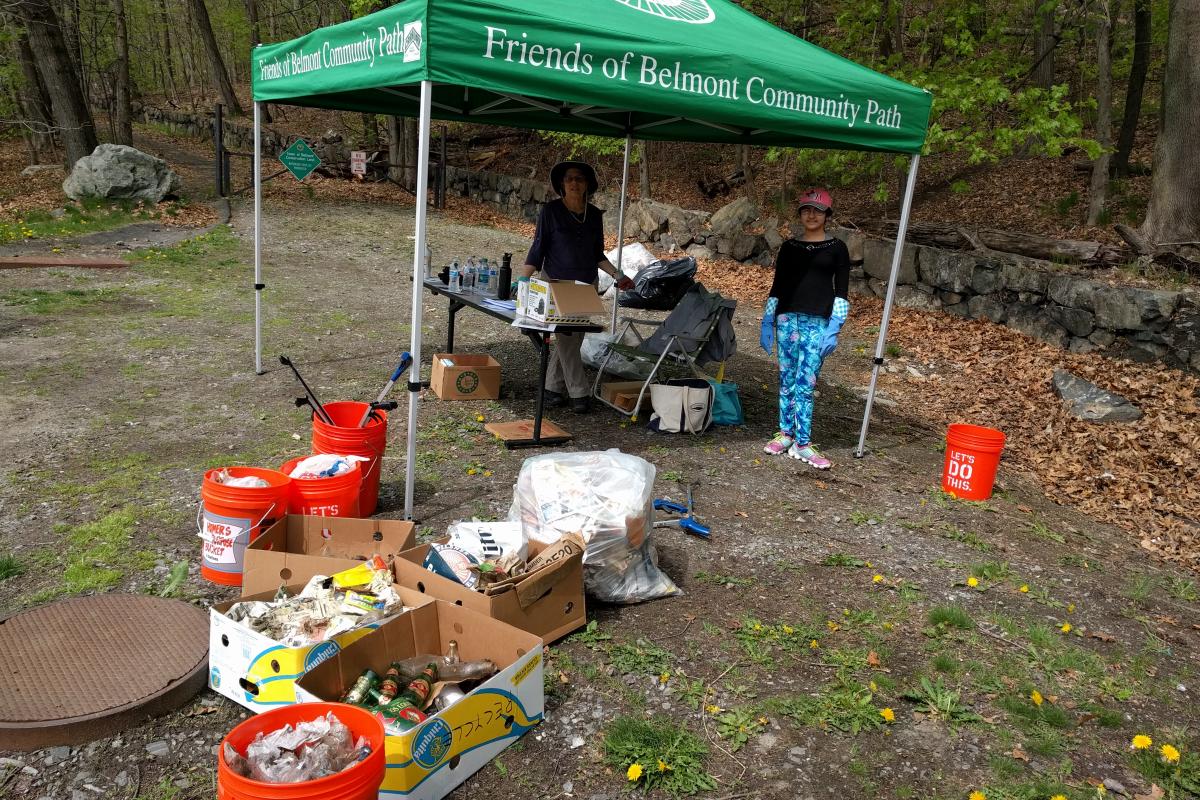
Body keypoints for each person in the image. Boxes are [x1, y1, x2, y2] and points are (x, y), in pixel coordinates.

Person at [521, 160, 634, 414]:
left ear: (587, 185)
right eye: (570, 178)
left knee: (570, 340)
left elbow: (597, 253)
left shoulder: (594, 215)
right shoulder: (550, 211)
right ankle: (579, 392)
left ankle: (551, 389)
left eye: (579, 179)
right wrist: (523, 280)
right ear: (562, 184)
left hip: (586, 284)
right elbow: (538, 248)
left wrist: (618, 275)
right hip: (556, 284)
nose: (574, 182)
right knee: (567, 338)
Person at [759, 188, 851, 469]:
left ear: (826, 216)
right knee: (786, 378)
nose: (811, 215)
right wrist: (767, 319)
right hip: (787, 318)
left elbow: (842, 290)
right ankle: (785, 434)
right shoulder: (789, 247)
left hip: (818, 322)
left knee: (806, 381)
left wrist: (835, 326)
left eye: (818, 210)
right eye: (806, 210)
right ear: (800, 214)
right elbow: (778, 285)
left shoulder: (837, 248)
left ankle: (804, 442)